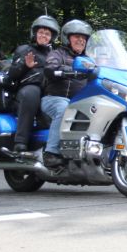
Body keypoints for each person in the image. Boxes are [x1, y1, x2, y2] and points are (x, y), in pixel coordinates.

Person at [41, 19, 92, 168]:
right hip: (54, 98)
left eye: (84, 38)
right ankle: (51, 153)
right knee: (64, 108)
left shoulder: (89, 60)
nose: (81, 40)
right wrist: (65, 70)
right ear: (67, 38)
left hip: (79, 102)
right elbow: (50, 68)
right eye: (77, 36)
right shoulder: (57, 53)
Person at [7, 15, 59, 154]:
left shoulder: (54, 54)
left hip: (49, 90)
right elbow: (11, 74)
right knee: (32, 93)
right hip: (28, 88)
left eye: (47, 34)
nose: (44, 36)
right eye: (41, 32)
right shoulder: (25, 50)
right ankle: (20, 142)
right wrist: (25, 65)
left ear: (51, 37)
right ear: (35, 33)